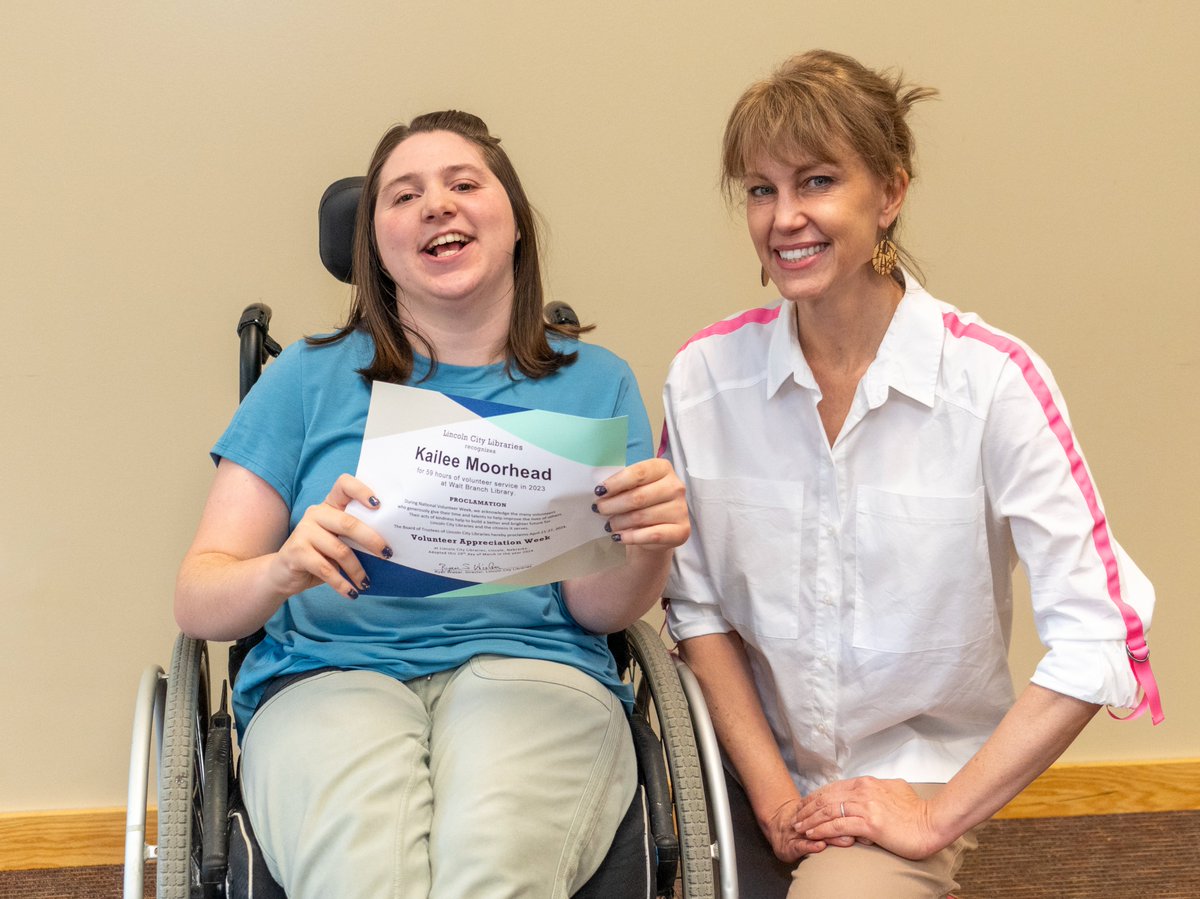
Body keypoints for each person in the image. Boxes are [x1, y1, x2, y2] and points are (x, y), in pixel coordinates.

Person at [660, 50, 1162, 898]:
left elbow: (1100, 632)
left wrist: (934, 817)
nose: (784, 217)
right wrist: (779, 802)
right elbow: (697, 607)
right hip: (746, 777)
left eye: (816, 182)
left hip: (912, 775)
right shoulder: (704, 379)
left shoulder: (994, 384)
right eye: (760, 189)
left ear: (889, 194)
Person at [175, 110, 688, 899]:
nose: (436, 205)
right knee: (363, 876)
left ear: (514, 219)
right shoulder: (306, 379)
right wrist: (282, 568)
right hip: (329, 675)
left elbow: (598, 609)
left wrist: (647, 544)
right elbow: (200, 597)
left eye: (463, 184)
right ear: (373, 245)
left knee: (493, 866)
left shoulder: (595, 380)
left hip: (535, 669)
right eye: (403, 195)